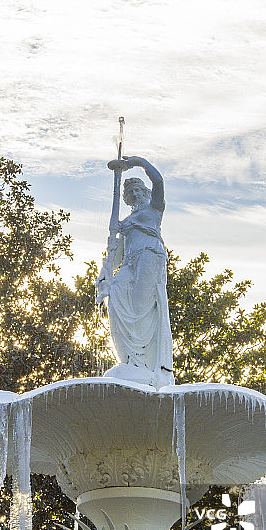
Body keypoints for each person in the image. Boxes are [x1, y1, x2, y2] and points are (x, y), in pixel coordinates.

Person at [96, 156, 174, 389]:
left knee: (141, 306)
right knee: (116, 293)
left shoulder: (154, 209)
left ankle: (147, 364)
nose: (135, 195)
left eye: (138, 191)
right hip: (130, 262)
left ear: (146, 193)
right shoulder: (126, 221)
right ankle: (130, 358)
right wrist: (107, 266)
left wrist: (139, 162)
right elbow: (116, 254)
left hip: (150, 255)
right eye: (131, 194)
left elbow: (158, 181)